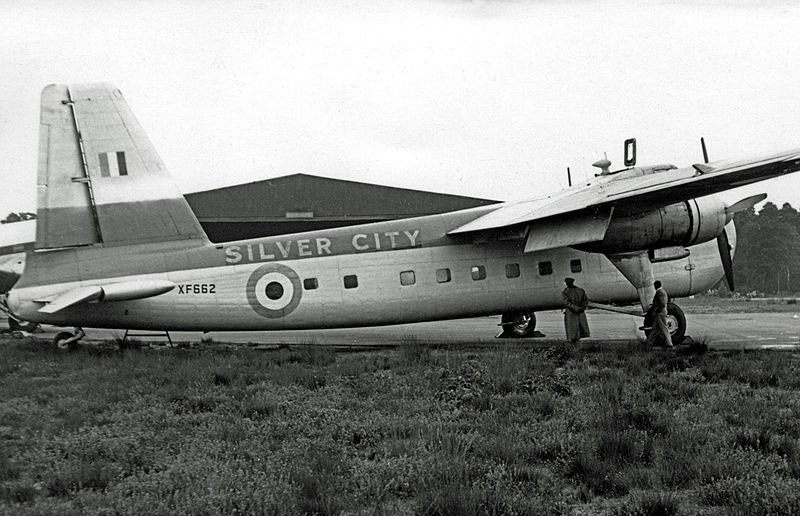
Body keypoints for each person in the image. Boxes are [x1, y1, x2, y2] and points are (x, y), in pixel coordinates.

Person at [562, 277, 590, 344]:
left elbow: (566, 303)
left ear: (567, 283)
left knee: (571, 331)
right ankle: (577, 344)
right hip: (580, 312)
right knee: (579, 328)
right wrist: (581, 308)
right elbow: (585, 301)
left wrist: (575, 308)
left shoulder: (566, 292)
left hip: (571, 313)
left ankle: (573, 346)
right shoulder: (580, 290)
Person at [646, 280, 673, 348]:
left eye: (654, 286)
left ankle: (669, 343)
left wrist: (656, 310)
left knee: (663, 328)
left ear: (656, 285)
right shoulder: (663, 291)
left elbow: (662, 303)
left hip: (660, 313)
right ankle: (649, 343)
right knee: (655, 329)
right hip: (660, 313)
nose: (654, 287)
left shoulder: (660, 292)